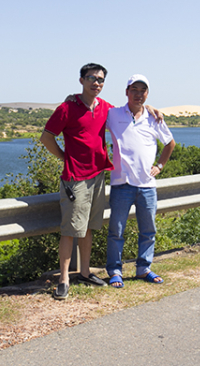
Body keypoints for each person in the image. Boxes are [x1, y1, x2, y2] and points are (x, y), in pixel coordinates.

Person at [40, 63, 113, 300]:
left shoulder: (105, 107)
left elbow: (129, 111)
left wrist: (149, 107)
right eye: (91, 78)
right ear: (81, 80)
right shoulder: (67, 108)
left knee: (88, 228)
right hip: (76, 180)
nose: (96, 83)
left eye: (100, 79)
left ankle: (84, 272)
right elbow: (46, 137)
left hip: (98, 176)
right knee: (70, 230)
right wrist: (64, 157)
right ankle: (64, 279)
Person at [105, 74, 176, 288]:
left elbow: (170, 143)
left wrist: (160, 166)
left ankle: (143, 269)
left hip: (147, 186)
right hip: (121, 184)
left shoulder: (154, 118)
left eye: (142, 90)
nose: (138, 94)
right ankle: (115, 271)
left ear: (147, 94)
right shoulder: (113, 114)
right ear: (126, 92)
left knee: (148, 230)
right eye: (134, 90)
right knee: (116, 231)